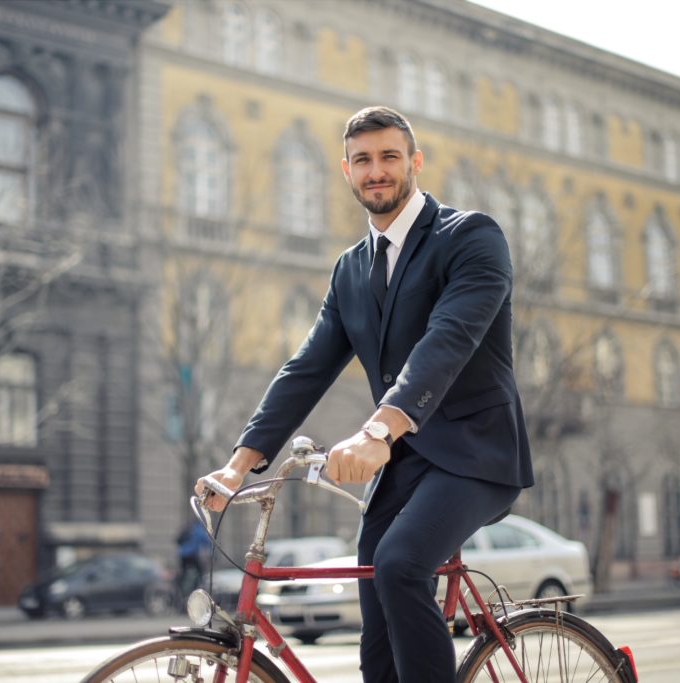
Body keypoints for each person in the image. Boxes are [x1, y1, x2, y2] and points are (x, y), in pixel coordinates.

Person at [196, 106, 534, 683]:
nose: (376, 171)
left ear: (415, 163)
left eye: (389, 157)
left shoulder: (471, 237)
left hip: (478, 454)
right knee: (373, 587)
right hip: (408, 463)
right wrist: (238, 465)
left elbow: (447, 340)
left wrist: (379, 430)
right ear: (346, 172)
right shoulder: (351, 269)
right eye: (362, 161)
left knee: (399, 564)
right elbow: (307, 367)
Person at [175, 518, 211, 600]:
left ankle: (180, 590)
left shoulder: (188, 529)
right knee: (200, 573)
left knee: (183, 573)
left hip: (182, 555)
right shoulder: (199, 530)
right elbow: (207, 542)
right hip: (192, 555)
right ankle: (195, 588)